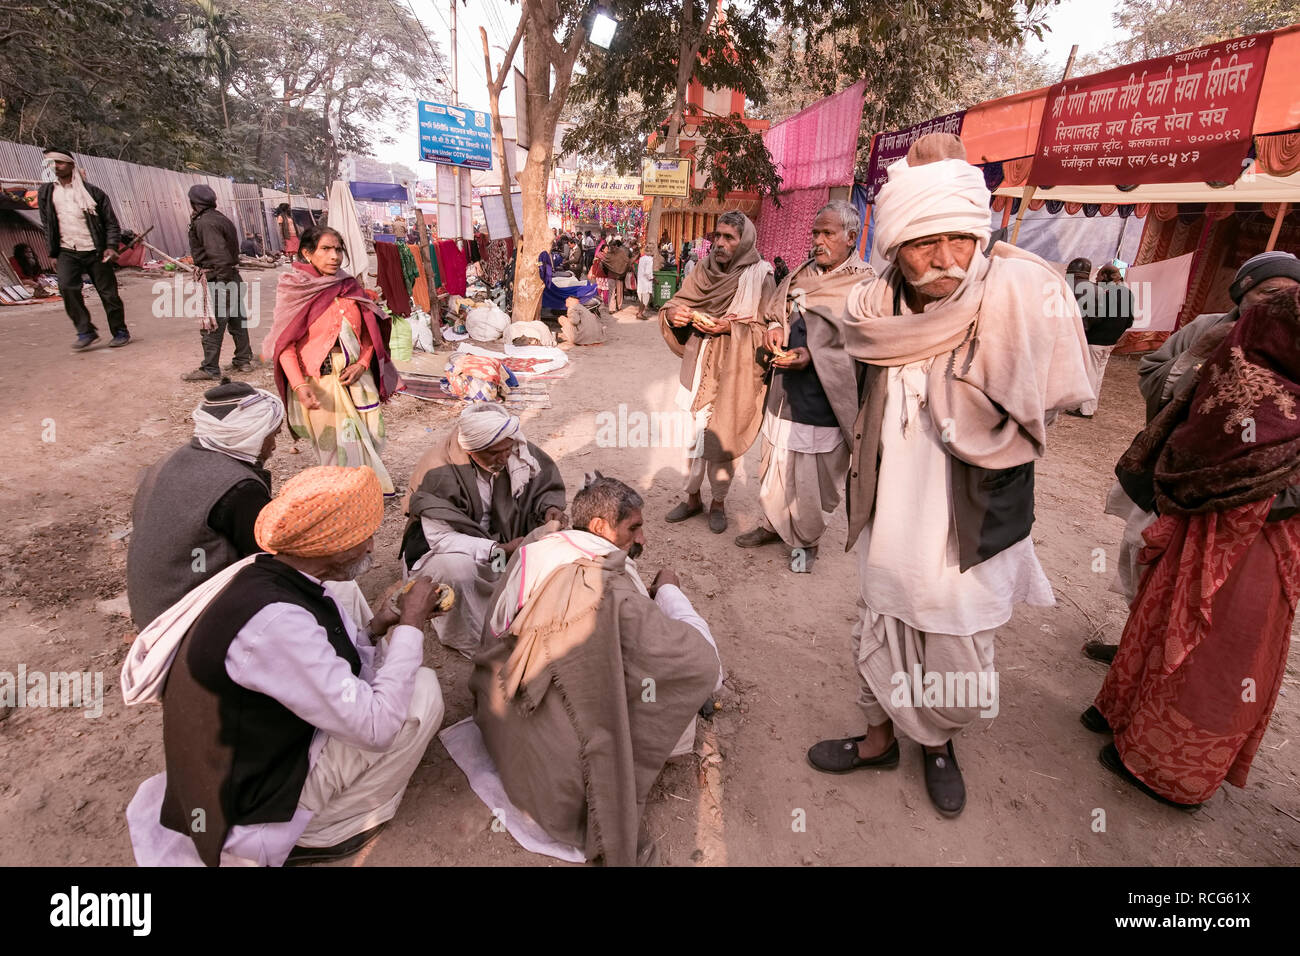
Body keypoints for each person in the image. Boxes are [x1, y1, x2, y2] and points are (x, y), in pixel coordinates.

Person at [806, 133, 1093, 816]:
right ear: (895, 244)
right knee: (880, 624)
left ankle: (937, 743)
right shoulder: (874, 309)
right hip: (891, 511)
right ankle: (879, 738)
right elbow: (841, 362)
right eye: (922, 243)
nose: (943, 260)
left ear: (978, 233)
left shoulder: (1017, 292)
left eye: (960, 240)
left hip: (972, 516)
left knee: (959, 644)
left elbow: (1065, 391)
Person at [121, 465, 448, 866]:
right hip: (254, 800)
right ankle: (324, 831)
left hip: (250, 758)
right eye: (364, 538)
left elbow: (328, 662)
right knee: (422, 696)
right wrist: (413, 623)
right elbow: (375, 727)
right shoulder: (276, 621)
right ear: (335, 546)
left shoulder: (273, 575)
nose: (369, 548)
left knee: (393, 669)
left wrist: (378, 627)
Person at [1087, 286, 1300, 810]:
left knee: (1215, 649)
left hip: (1254, 545)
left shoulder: (1239, 359)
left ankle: (1169, 773)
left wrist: (1250, 494)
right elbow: (1174, 406)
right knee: (1164, 618)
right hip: (1210, 530)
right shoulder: (1226, 348)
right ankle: (1127, 720)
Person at [469, 475, 721, 865]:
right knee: (670, 693)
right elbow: (704, 666)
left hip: (495, 709)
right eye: (634, 528)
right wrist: (670, 590)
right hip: (560, 787)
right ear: (600, 528)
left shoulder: (536, 547)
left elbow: (496, 628)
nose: (642, 540)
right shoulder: (612, 583)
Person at [1084, 250, 1300, 664]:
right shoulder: (1206, 328)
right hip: (1171, 475)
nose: (1278, 303)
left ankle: (1164, 666)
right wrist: (1197, 354)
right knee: (1143, 557)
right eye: (1267, 291)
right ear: (1242, 294)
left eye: (1291, 294)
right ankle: (1134, 649)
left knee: (1199, 590)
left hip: (1240, 502)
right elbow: (1153, 385)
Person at [736, 201, 873, 572]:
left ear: (850, 237)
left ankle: (806, 539)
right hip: (784, 391)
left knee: (815, 475)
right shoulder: (799, 274)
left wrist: (814, 355)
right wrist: (775, 328)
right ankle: (772, 524)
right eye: (815, 232)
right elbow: (774, 311)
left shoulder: (865, 284)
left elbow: (865, 345)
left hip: (826, 399)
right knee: (775, 463)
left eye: (827, 233)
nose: (818, 240)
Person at [400, 402, 567, 656]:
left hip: (501, 543)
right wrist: (498, 549)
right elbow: (442, 538)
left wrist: (549, 508)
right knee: (458, 571)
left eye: (507, 450)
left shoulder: (510, 450)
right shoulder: (438, 472)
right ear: (471, 450)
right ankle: (475, 641)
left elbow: (542, 486)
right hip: (448, 550)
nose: (503, 458)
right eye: (493, 454)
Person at [127, 381, 284, 630]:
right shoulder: (237, 486)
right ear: (251, 434)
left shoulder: (173, 458)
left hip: (151, 609)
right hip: (186, 623)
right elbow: (271, 555)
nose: (274, 447)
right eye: (272, 436)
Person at [660, 210, 776, 534]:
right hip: (699, 363)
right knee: (693, 435)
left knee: (723, 436)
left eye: (729, 237)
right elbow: (675, 304)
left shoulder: (761, 276)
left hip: (736, 368)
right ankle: (693, 496)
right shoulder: (702, 269)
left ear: (744, 241)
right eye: (718, 236)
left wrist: (731, 327)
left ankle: (718, 502)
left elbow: (769, 327)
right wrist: (675, 315)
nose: (721, 243)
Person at [261, 225, 400, 495]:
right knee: (332, 447)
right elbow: (285, 346)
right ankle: (342, 497)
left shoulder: (350, 287)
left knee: (370, 434)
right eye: (325, 249)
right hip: (319, 382)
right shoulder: (295, 291)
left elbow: (371, 335)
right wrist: (300, 387)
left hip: (358, 379)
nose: (334, 256)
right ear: (307, 253)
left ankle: (365, 491)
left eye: (338, 249)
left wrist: (362, 363)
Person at [36, 148, 130, 350]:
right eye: (52, 163)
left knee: (109, 294)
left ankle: (120, 331)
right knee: (68, 289)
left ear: (71, 165)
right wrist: (53, 252)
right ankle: (85, 331)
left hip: (95, 250)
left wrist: (111, 247)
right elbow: (48, 224)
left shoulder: (94, 193)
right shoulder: (47, 192)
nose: (56, 167)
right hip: (66, 250)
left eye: (59, 162)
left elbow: (111, 223)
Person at [182, 185, 255, 381]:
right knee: (237, 320)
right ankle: (243, 360)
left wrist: (222, 284)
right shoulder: (220, 218)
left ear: (193, 203)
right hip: (232, 277)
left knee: (212, 324)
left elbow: (219, 255)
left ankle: (210, 368)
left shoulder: (205, 223)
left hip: (219, 279)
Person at [603, 238, 631, 311]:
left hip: (619, 276)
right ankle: (611, 308)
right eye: (610, 247)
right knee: (611, 292)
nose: (612, 248)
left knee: (619, 292)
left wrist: (623, 271)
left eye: (613, 246)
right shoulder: (609, 254)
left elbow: (627, 262)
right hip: (611, 275)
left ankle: (619, 306)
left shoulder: (621, 253)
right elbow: (604, 262)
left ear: (616, 246)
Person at [636, 244, 656, 319]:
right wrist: (653, 278)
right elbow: (648, 272)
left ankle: (639, 312)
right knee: (645, 299)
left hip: (641, 281)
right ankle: (640, 313)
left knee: (643, 298)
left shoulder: (642, 258)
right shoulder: (649, 259)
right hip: (646, 282)